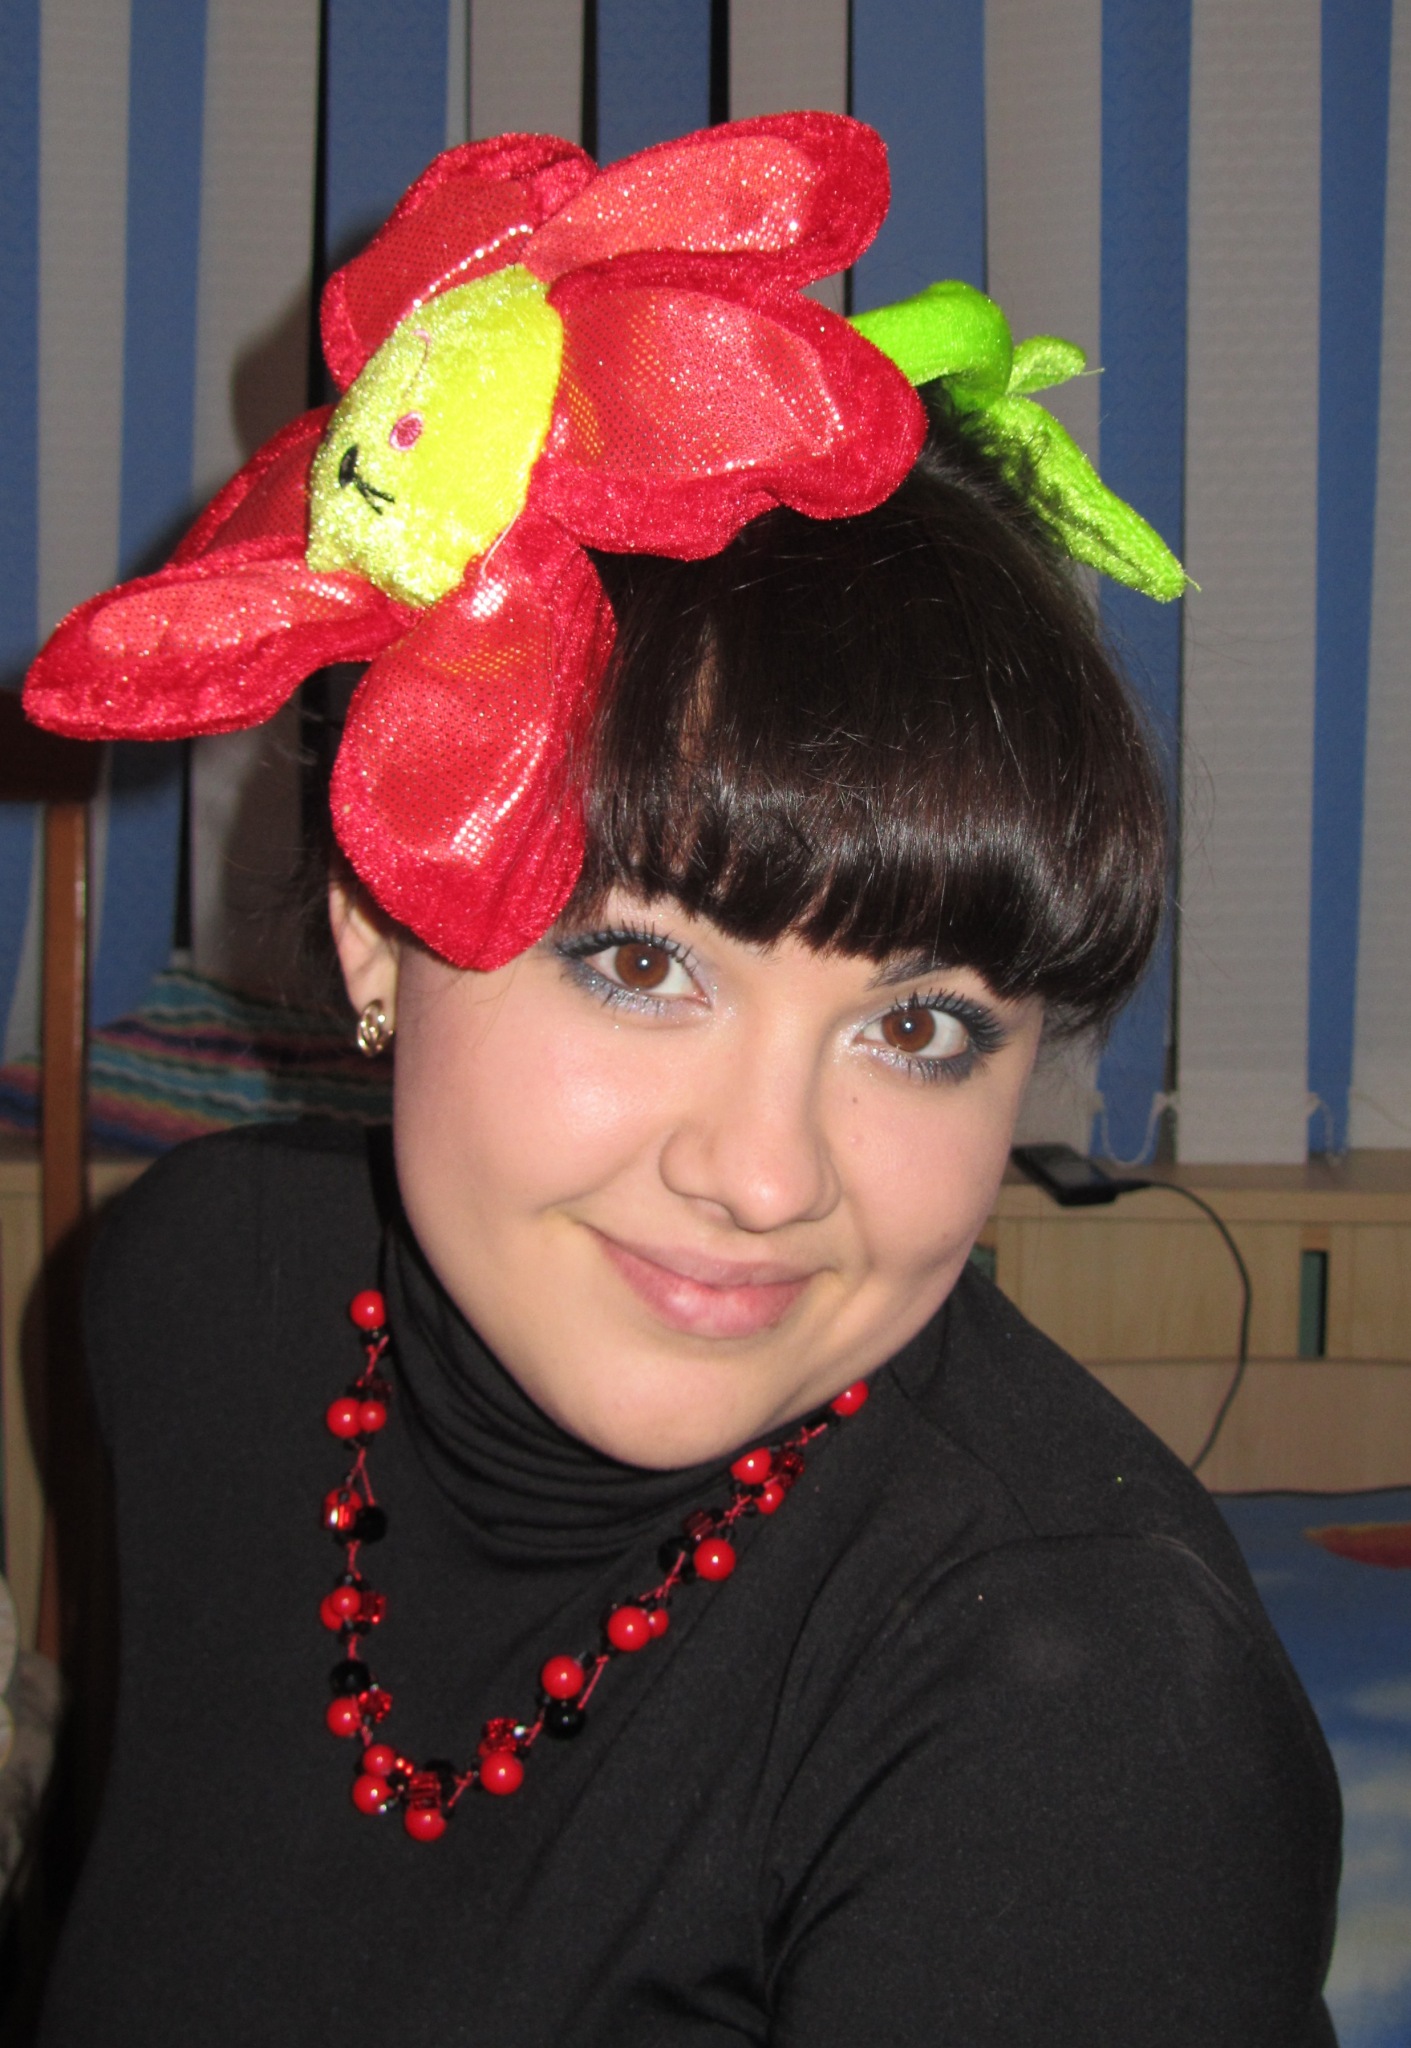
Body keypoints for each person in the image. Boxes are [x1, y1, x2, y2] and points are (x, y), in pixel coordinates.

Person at [26, 117, 1339, 2044]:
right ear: (381, 926)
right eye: (643, 965)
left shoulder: (1080, 1710)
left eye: (919, 1026)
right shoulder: (196, 1299)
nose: (767, 1174)